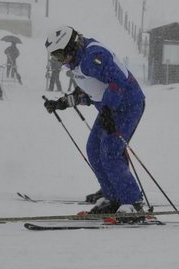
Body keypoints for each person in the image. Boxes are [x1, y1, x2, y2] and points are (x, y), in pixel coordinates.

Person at [41, 26, 147, 217]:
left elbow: (119, 81)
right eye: (55, 57)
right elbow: (92, 92)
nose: (60, 60)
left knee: (110, 151)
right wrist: (62, 103)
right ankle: (113, 197)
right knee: (94, 149)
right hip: (110, 109)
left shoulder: (93, 56)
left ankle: (133, 203)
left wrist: (108, 109)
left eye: (60, 55)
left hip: (128, 105)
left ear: (71, 46)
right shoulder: (78, 62)